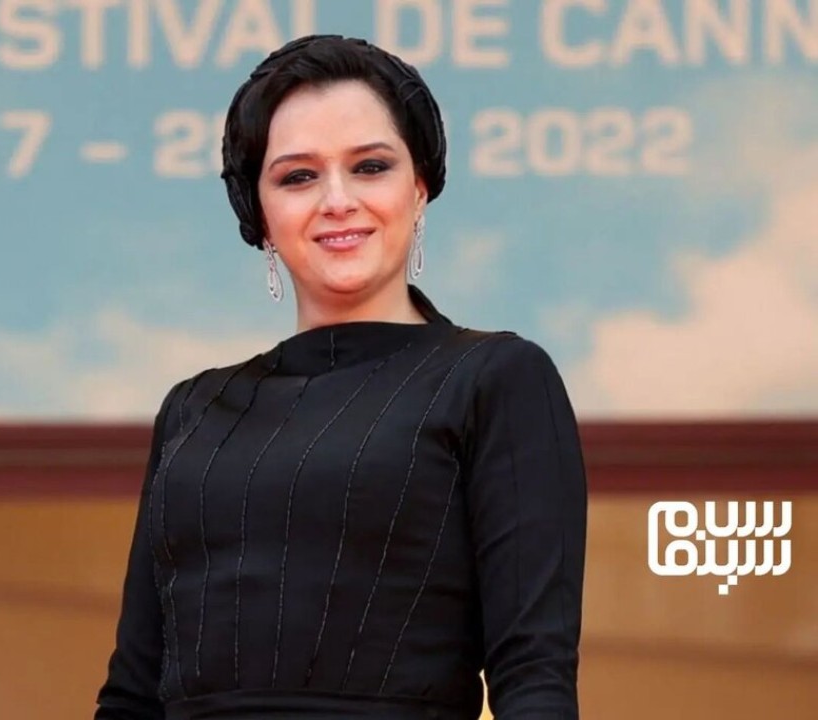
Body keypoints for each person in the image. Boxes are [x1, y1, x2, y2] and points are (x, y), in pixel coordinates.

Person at [94, 35, 587, 720]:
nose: (337, 200)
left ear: (419, 187)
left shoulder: (495, 379)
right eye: (297, 177)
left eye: (370, 167)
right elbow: (131, 693)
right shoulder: (193, 410)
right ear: (258, 214)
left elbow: (533, 675)